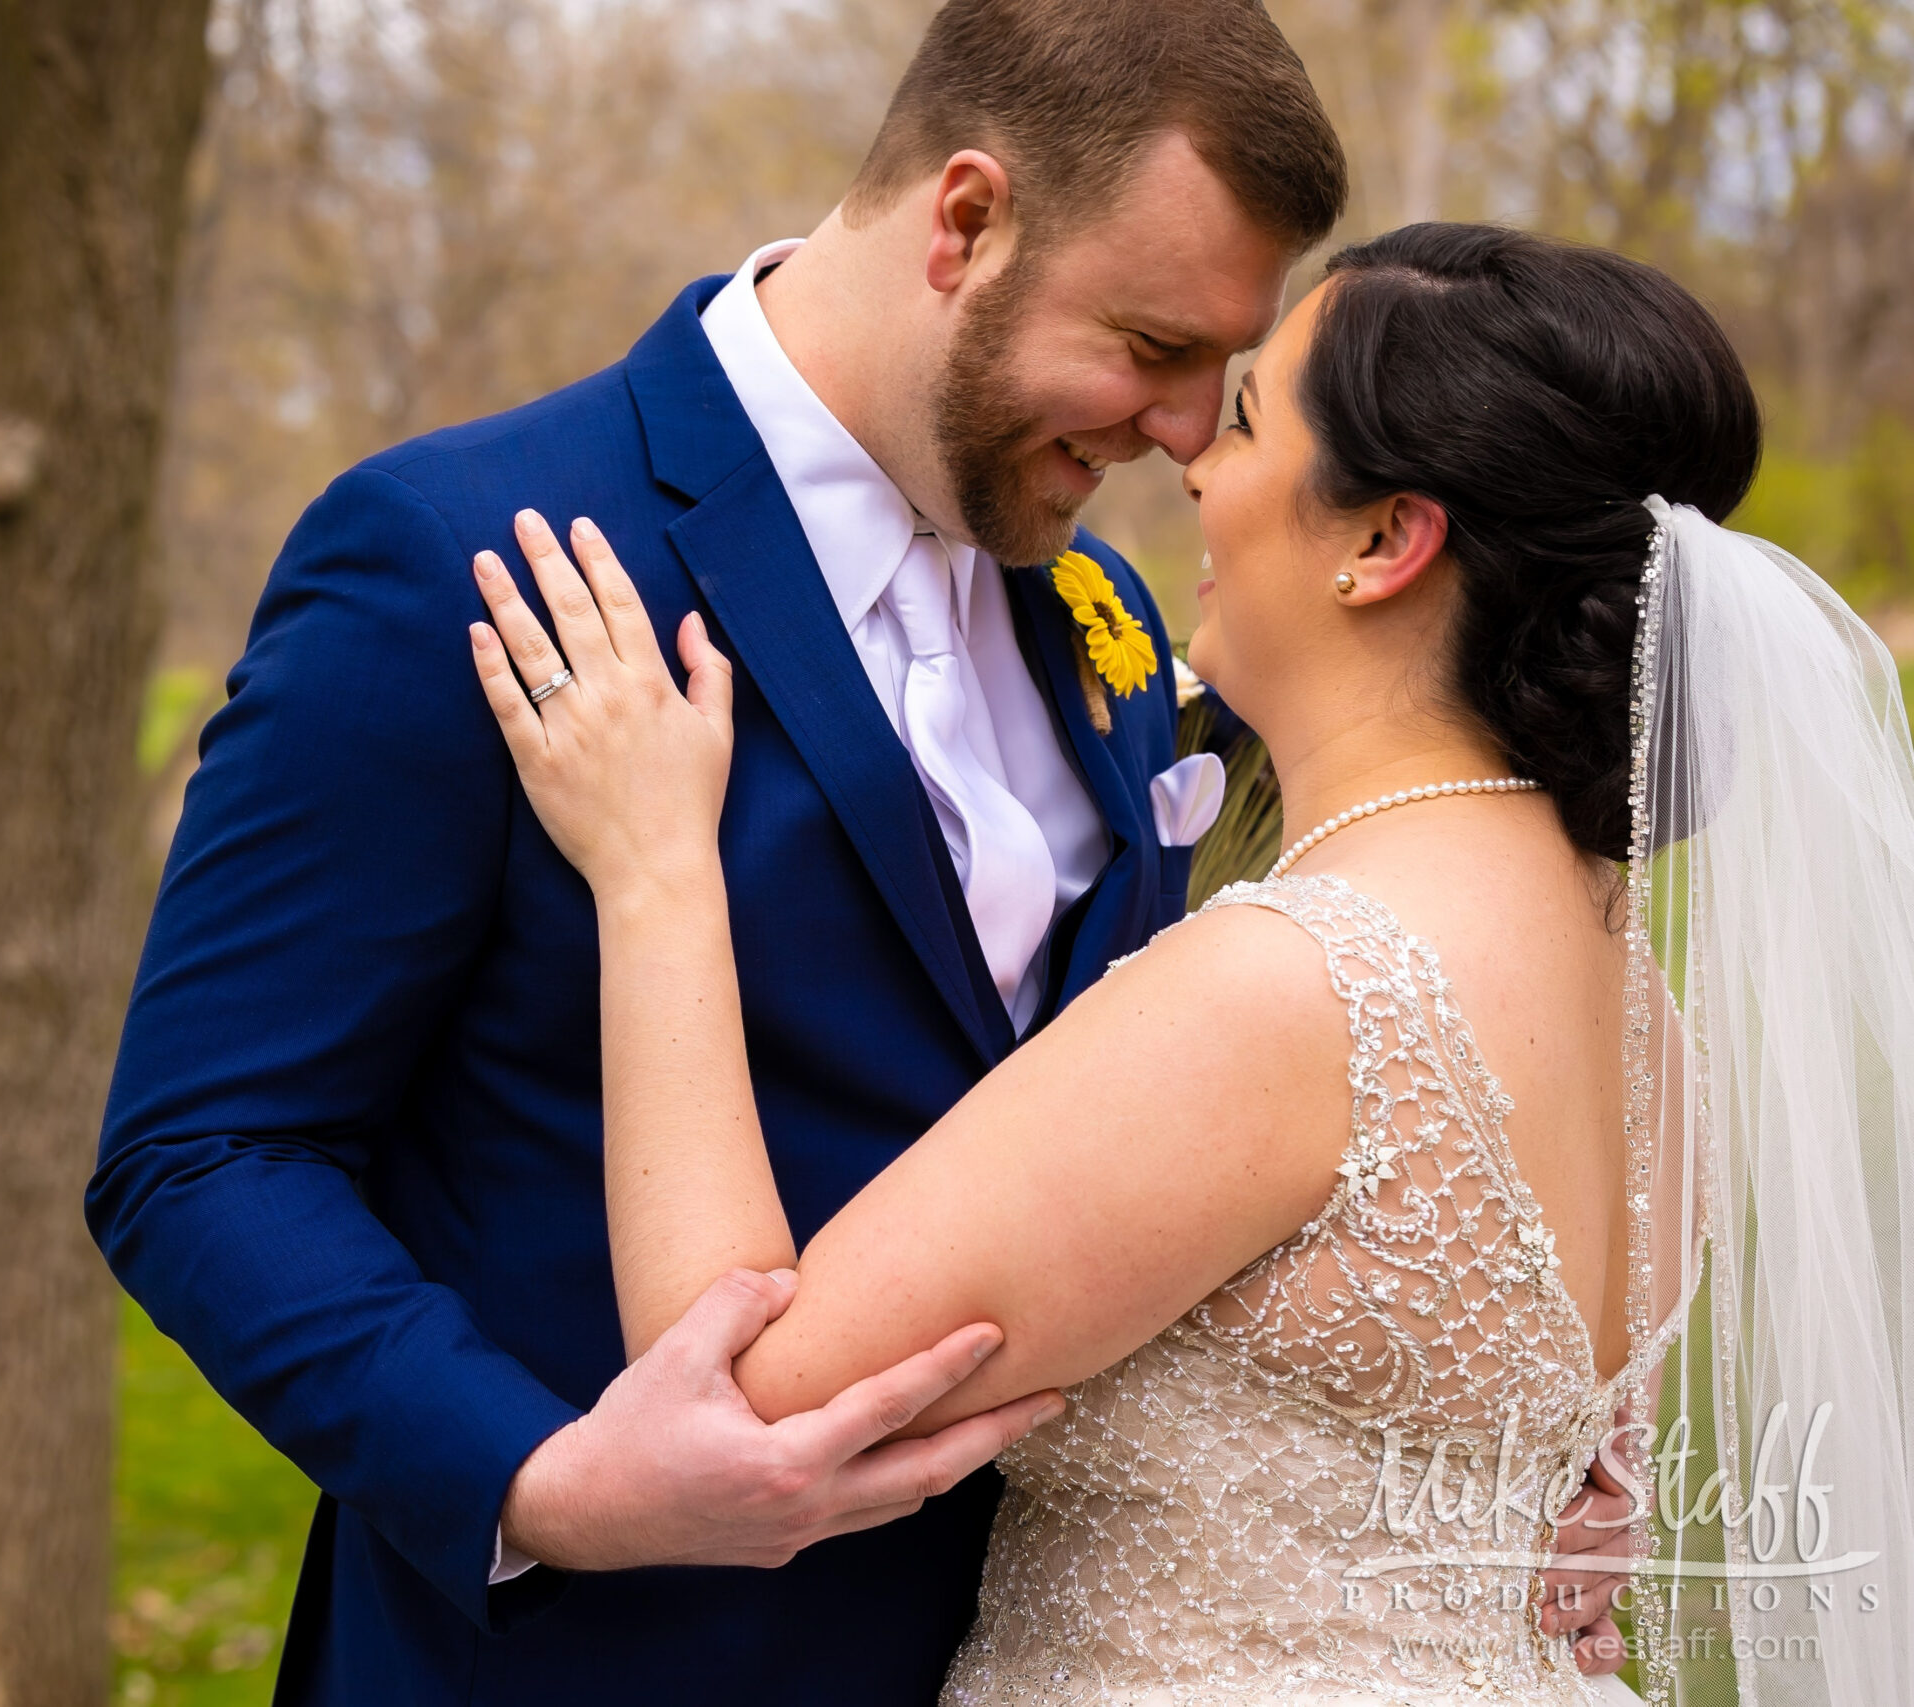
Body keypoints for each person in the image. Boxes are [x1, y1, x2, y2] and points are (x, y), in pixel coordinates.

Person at [87, 2, 1628, 1700]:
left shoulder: (1109, 618)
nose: (1188, 434)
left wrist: (1462, 1457)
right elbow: (203, 1150)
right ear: (964, 222)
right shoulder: (466, 553)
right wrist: (543, 1483)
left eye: (1226, 374)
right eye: (1151, 345)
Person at [465, 219, 1914, 1704]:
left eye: (1245, 420)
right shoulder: (1652, 1007)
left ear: (1384, 541)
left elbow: (747, 1402)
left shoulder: (1295, 989)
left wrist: (653, 878)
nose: (1195, 466)